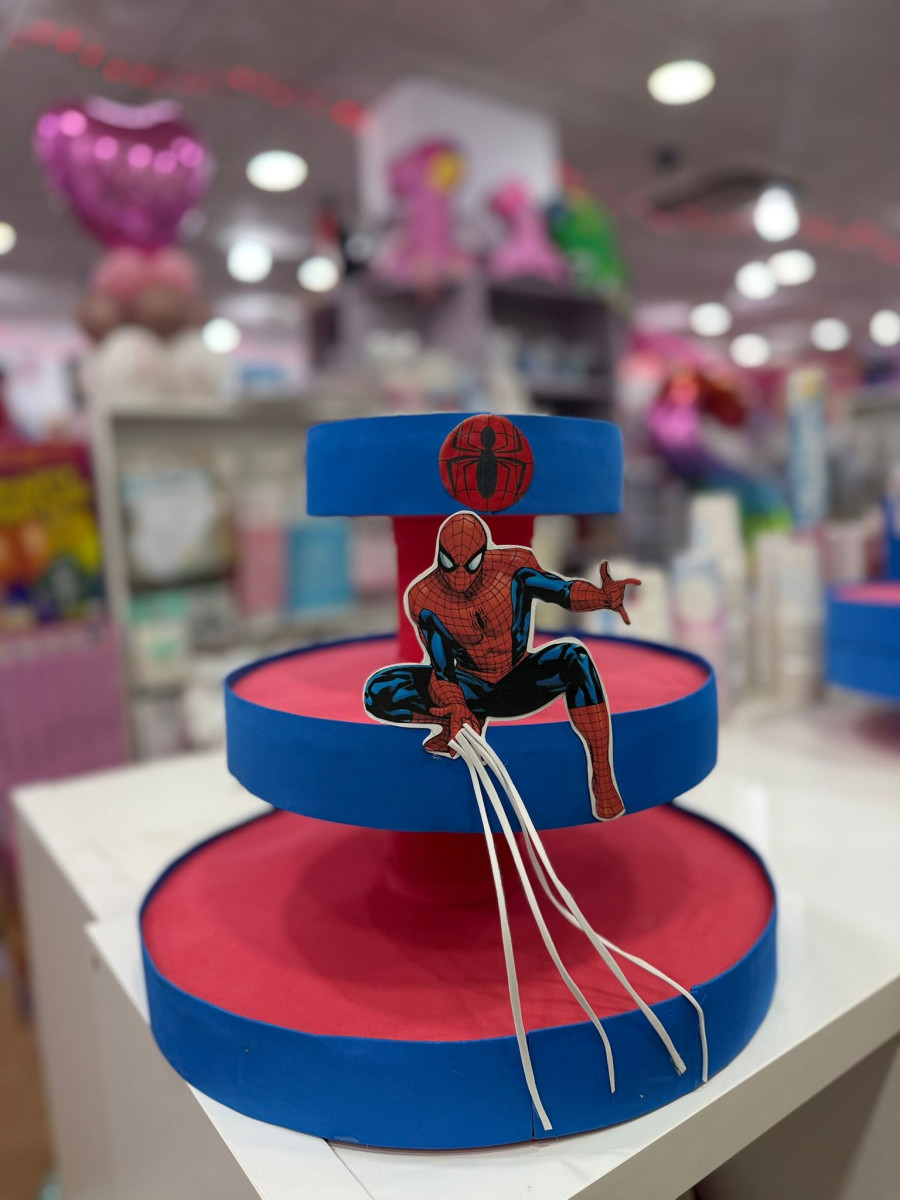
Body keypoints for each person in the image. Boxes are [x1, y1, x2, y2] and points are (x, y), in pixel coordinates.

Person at [364, 511, 640, 820]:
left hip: (520, 681)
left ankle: (602, 775)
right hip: (470, 687)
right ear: (439, 556)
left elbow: (562, 591)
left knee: (575, 657)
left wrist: (600, 598)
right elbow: (442, 670)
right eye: (449, 564)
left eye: (469, 565)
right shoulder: (425, 597)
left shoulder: (513, 567)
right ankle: (459, 722)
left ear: (482, 556)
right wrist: (456, 706)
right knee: (379, 690)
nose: (459, 577)